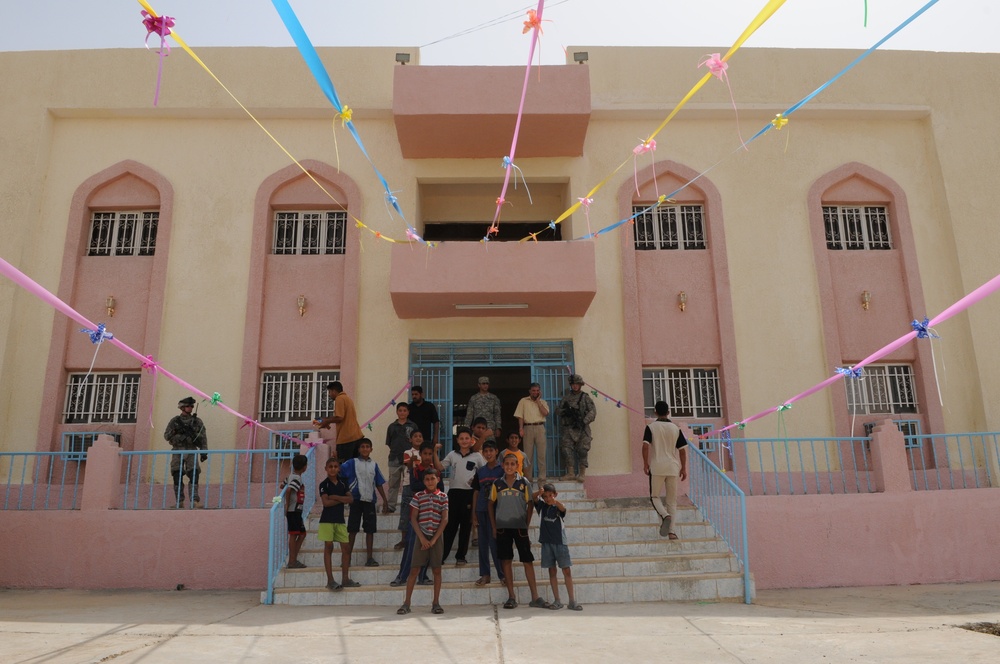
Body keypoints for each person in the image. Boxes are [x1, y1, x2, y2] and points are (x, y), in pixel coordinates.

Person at [489, 454, 549, 610]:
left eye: (512, 464)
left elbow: (530, 504)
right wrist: (494, 527)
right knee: (506, 560)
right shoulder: (497, 484)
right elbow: (490, 504)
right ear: (502, 465)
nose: (509, 466)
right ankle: (511, 596)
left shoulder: (524, 483)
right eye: (507, 463)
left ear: (517, 466)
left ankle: (535, 596)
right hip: (503, 528)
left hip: (520, 528)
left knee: (527, 560)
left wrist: (526, 524)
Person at [397, 467, 449, 616]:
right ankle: (406, 603)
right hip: (421, 537)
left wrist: (433, 540)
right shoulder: (418, 496)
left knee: (437, 570)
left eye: (433, 478)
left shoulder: (443, 497)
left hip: (436, 538)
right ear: (423, 481)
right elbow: (413, 518)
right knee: (414, 570)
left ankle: (436, 603)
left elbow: (444, 519)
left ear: (438, 479)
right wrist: (422, 538)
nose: (430, 481)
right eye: (427, 479)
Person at [390, 441, 441, 587]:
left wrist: (426, 486)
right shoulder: (415, 469)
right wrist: (428, 487)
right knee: (411, 546)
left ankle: (423, 576)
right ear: (420, 454)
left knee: (427, 547)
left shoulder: (435, 471)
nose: (427, 456)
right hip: (417, 514)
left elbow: (440, 487)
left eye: (430, 454)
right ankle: (402, 576)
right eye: (424, 453)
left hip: (431, 515)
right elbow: (414, 487)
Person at [340, 439, 389, 573]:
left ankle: (369, 557)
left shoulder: (374, 465)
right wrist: (346, 491)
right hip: (355, 500)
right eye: (363, 447)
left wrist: (384, 499)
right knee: (352, 529)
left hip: (369, 501)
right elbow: (340, 473)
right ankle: (347, 558)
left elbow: (378, 483)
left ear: (371, 449)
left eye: (368, 446)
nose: (365, 449)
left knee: (370, 530)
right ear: (359, 449)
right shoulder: (352, 463)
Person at [642, 400, 689, 540]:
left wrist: (645, 463)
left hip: (657, 467)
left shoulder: (650, 427)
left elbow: (645, 446)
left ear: (655, 412)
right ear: (668, 412)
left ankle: (664, 515)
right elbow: (682, 451)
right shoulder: (676, 428)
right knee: (672, 501)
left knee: (654, 497)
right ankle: (672, 532)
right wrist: (684, 468)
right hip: (673, 467)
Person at [439, 426, 485, 566]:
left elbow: (483, 473)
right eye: (461, 438)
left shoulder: (477, 456)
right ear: (457, 440)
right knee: (450, 526)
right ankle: (442, 556)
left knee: (466, 526)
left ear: (472, 440)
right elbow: (440, 467)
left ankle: (461, 556)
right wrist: (435, 452)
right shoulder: (452, 454)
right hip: (453, 494)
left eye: (467, 438)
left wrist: (476, 482)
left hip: (469, 494)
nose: (464, 441)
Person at [533, 483, 582, 610]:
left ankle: (572, 601)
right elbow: (533, 498)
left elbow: (563, 508)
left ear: (555, 495)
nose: (548, 498)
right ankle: (557, 600)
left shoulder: (557, 507)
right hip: (546, 543)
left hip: (560, 543)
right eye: (546, 496)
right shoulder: (542, 507)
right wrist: (539, 493)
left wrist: (555, 502)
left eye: (550, 495)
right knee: (552, 570)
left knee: (566, 570)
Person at [471, 440, 505, 587]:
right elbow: (476, 492)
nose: (489, 454)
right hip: (481, 510)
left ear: (496, 451)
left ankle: (502, 574)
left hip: (497, 512)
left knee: (495, 543)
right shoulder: (480, 471)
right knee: (483, 544)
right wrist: (474, 513)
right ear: (483, 454)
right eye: (486, 451)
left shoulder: (502, 470)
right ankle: (485, 574)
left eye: (491, 450)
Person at [163, 396, 208, 509]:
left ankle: (194, 500)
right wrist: (178, 435)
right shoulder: (175, 421)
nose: (191, 408)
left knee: (194, 474)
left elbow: (203, 438)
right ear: (182, 407)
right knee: (177, 475)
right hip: (178, 450)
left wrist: (204, 452)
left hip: (191, 450)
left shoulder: (197, 421)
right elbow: (166, 436)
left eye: (192, 406)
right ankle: (179, 501)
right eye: (188, 406)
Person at [318, 457, 353, 590]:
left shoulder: (343, 483)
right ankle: (330, 580)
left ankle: (345, 578)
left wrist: (336, 497)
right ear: (326, 469)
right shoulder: (324, 485)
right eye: (330, 466)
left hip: (340, 520)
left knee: (346, 548)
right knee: (329, 547)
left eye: (335, 466)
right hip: (326, 520)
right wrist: (342, 499)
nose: (333, 469)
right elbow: (326, 503)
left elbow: (350, 499)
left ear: (339, 468)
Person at [558, 374, 596, 482]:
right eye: (573, 384)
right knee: (566, 450)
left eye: (577, 384)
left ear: (580, 385)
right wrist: (566, 412)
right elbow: (558, 410)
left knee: (583, 450)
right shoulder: (566, 398)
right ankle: (571, 473)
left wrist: (584, 421)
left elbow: (593, 412)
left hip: (582, 428)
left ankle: (582, 473)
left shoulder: (585, 397)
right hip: (569, 428)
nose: (575, 386)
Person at [314, 381, 365, 461]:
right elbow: (341, 417)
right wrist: (326, 420)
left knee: (344, 466)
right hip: (356, 437)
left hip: (346, 439)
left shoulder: (339, 398)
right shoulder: (347, 399)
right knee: (355, 466)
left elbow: (340, 417)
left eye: (330, 392)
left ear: (334, 391)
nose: (329, 394)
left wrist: (326, 421)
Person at [394, 428, 425, 549]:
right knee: (406, 512)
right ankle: (404, 539)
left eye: (420, 436)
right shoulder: (407, 452)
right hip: (408, 484)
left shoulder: (426, 452)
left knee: (422, 512)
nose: (418, 438)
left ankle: (420, 538)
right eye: (415, 436)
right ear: (410, 439)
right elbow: (409, 466)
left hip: (422, 485)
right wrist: (413, 461)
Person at [384, 402, 418, 514]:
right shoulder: (391, 426)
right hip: (394, 458)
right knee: (393, 484)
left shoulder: (413, 426)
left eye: (404, 410)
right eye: (400, 410)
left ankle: (412, 504)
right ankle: (391, 506)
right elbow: (389, 442)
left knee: (409, 482)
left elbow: (416, 440)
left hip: (409, 459)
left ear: (408, 412)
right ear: (397, 412)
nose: (402, 412)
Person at [514, 382, 550, 481]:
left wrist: (538, 401)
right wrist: (521, 428)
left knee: (541, 455)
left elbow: (545, 413)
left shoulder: (543, 402)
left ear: (540, 391)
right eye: (533, 390)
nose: (535, 392)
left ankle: (542, 479)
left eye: (537, 391)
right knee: (527, 456)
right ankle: (528, 479)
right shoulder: (523, 401)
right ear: (530, 391)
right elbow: (520, 416)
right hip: (528, 428)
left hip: (540, 428)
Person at [280, 453, 308, 569]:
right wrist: (287, 506)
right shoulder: (296, 478)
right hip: (293, 510)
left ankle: (293, 558)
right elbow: (288, 490)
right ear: (304, 467)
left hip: (297, 511)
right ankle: (292, 561)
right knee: (294, 534)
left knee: (302, 534)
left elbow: (283, 485)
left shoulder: (291, 476)